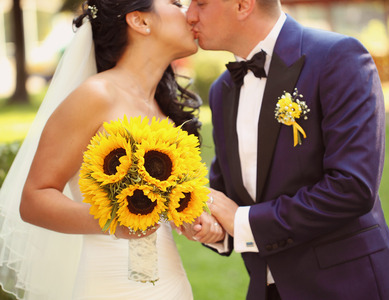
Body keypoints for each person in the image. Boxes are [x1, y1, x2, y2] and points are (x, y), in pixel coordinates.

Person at [186, 0, 389, 299]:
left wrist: (242, 221)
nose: (189, 15)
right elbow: (228, 192)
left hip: (347, 286)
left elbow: (352, 187)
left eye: (200, 3)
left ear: (243, 5)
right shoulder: (221, 90)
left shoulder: (338, 57)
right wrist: (211, 224)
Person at [0, 0, 223, 299]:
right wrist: (114, 223)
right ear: (140, 21)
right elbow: (33, 199)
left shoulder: (163, 111)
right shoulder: (96, 96)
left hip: (170, 283)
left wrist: (191, 216)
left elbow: (159, 206)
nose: (190, 13)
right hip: (109, 284)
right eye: (175, 3)